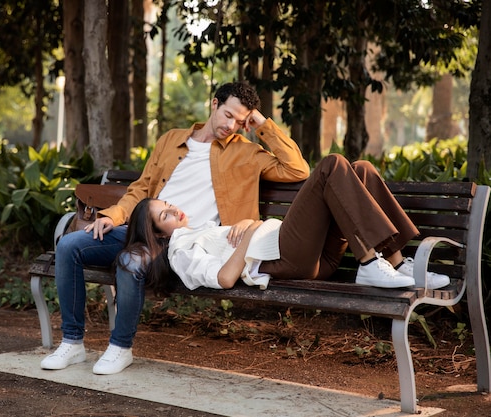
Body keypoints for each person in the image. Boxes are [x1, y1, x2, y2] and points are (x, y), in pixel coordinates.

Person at [40, 81, 311, 375]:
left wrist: (261, 124)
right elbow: (141, 189)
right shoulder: (171, 140)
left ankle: (120, 348)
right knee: (69, 246)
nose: (232, 125)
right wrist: (113, 215)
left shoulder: (247, 152)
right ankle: (72, 342)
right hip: (143, 228)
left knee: (131, 261)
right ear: (214, 104)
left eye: (241, 120)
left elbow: (297, 169)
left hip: (183, 242)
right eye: (228, 115)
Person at [122, 153, 450, 296]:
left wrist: (249, 224)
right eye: (165, 216)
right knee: (332, 165)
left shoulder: (197, 230)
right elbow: (224, 278)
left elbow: (233, 243)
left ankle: (396, 263)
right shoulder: (179, 251)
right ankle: (368, 262)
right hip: (286, 257)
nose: (174, 210)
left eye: (167, 204)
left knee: (360, 168)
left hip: (309, 255)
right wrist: (251, 231)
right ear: (158, 235)